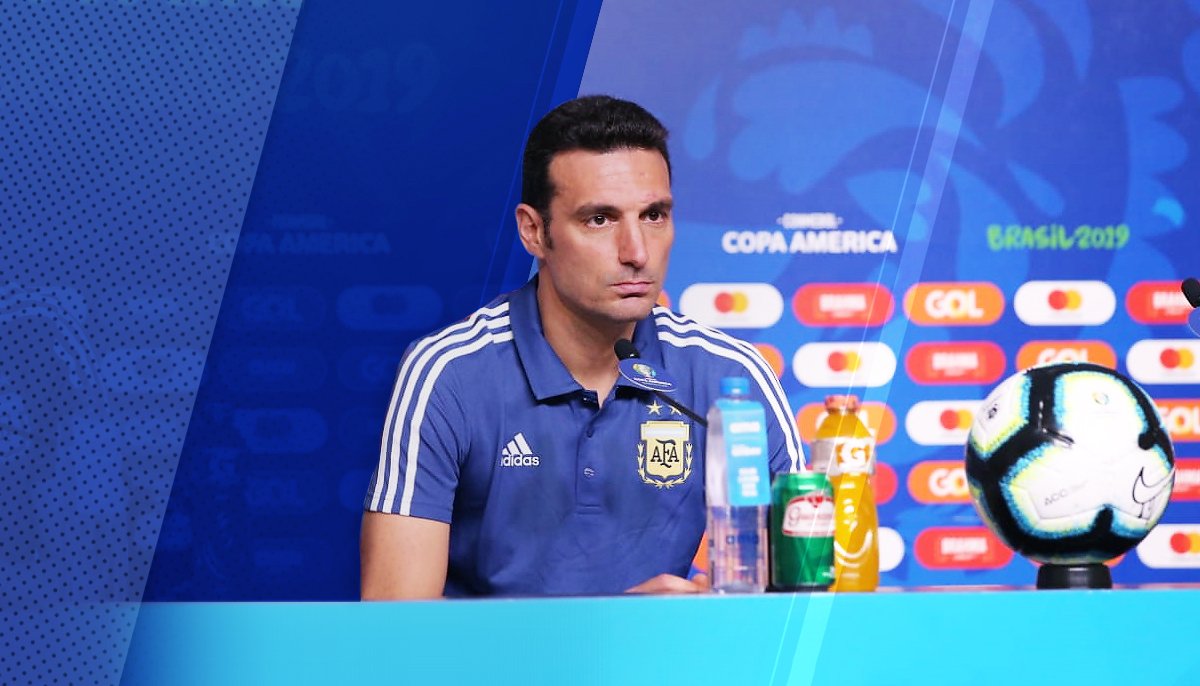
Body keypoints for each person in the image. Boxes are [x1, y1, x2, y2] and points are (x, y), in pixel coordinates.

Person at [360, 95, 803, 598]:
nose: (636, 252)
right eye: (599, 220)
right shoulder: (450, 373)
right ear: (533, 232)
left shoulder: (731, 377)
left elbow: (807, 612)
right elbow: (394, 621)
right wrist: (607, 630)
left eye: (654, 215)